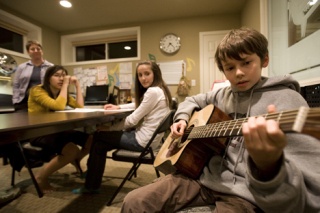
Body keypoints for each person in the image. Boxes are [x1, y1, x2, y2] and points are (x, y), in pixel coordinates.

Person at [121, 28, 320, 212]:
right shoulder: (221, 95)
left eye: (246, 63)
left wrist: (269, 164)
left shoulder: (287, 99)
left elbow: (310, 190)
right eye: (230, 67)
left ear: (264, 60)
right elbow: (191, 100)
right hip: (202, 178)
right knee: (134, 202)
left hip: (247, 194)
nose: (238, 72)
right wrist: (182, 119)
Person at [72, 60, 172, 194]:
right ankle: (92, 177)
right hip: (151, 142)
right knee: (100, 144)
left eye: (147, 74)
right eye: (140, 75)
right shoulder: (160, 90)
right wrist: (118, 106)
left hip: (141, 142)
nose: (143, 78)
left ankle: (91, 183)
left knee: (98, 136)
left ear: (156, 74)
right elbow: (140, 105)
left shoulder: (153, 92)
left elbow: (132, 120)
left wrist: (110, 128)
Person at [28, 65, 92, 193]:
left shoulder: (61, 93)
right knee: (71, 150)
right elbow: (58, 105)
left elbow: (80, 107)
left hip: (56, 130)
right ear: (48, 78)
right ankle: (40, 177)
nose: (62, 79)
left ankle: (76, 159)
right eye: (57, 75)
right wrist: (65, 86)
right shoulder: (37, 90)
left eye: (64, 76)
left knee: (92, 139)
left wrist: (78, 86)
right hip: (39, 132)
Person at [12, 40, 53, 111]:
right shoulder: (21, 67)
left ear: (42, 51)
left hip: (44, 102)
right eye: (32, 49)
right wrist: (15, 101)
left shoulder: (51, 67)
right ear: (28, 52)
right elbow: (16, 85)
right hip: (24, 103)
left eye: (38, 48)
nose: (36, 51)